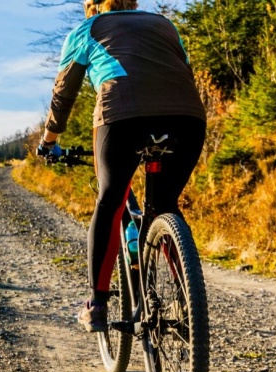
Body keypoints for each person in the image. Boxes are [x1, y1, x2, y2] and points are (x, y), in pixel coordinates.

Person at [36, 0, 206, 332]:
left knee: (111, 200)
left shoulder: (86, 30)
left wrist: (49, 141)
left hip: (121, 118)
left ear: (91, 5)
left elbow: (62, 95)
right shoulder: (164, 25)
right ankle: (187, 299)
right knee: (165, 205)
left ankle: (97, 305)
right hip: (187, 118)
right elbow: (185, 71)